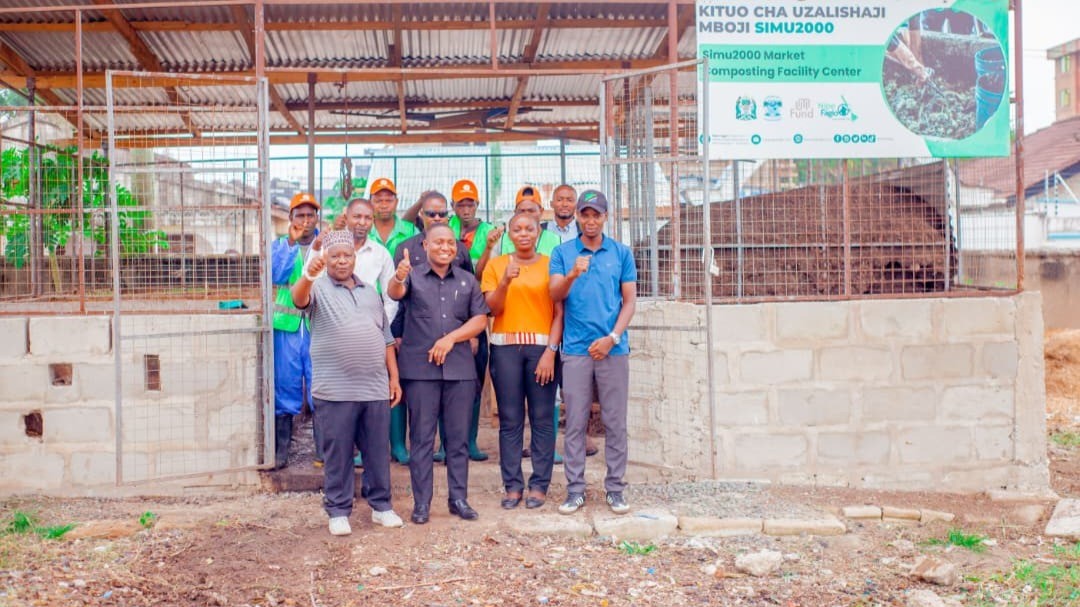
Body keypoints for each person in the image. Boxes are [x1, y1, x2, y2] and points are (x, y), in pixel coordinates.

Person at [292, 230, 404, 536]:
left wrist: (393, 378)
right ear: (326, 258)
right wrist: (307, 274)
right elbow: (298, 298)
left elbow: (385, 338)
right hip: (335, 389)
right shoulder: (317, 288)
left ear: (355, 257)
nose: (342, 260)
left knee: (377, 452)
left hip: (374, 387)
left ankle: (382, 507)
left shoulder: (369, 290)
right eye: (335, 256)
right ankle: (338, 511)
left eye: (347, 255)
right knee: (338, 452)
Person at [388, 223, 490, 524]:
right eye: (438, 242)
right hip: (420, 370)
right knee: (421, 438)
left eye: (450, 243)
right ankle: (422, 503)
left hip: (459, 369)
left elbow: (480, 320)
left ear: (457, 248)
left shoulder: (468, 281)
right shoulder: (413, 276)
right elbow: (395, 293)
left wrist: (451, 339)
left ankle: (458, 498)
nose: (445, 247)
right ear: (425, 247)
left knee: (457, 439)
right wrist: (398, 275)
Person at [549, 190, 637, 516]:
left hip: (613, 348)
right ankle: (575, 491)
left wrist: (612, 338)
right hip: (575, 349)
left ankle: (615, 489)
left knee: (615, 421)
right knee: (574, 422)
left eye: (595, 214)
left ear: (605, 217)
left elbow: (629, 302)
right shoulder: (562, 253)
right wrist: (572, 273)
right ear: (577, 218)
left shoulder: (621, 253)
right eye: (584, 215)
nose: (589, 220)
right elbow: (554, 294)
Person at [393, 191, 487, 462]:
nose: (436, 217)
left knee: (459, 396)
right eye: (430, 213)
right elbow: (398, 295)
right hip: (419, 340)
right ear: (420, 215)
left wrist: (471, 336)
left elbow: (470, 290)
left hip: (457, 341)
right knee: (422, 411)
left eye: (441, 213)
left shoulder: (459, 248)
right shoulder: (406, 248)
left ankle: (455, 445)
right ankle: (407, 451)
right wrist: (398, 333)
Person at [482, 212, 563, 510]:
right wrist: (504, 281)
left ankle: (539, 485)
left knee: (542, 420)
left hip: (542, 352)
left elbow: (559, 314)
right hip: (505, 350)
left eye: (530, 228)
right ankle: (513, 486)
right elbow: (492, 308)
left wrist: (550, 353)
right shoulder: (497, 265)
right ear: (509, 234)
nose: (524, 233)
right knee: (510, 421)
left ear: (538, 232)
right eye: (517, 229)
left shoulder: (550, 264)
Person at [336, 196, 398, 467]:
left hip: (372, 339)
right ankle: (338, 455)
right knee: (339, 400)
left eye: (367, 218)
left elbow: (391, 296)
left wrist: (379, 326)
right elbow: (312, 283)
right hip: (335, 339)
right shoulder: (331, 246)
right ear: (346, 217)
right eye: (357, 217)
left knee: (370, 396)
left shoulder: (380, 254)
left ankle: (368, 454)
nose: (362, 222)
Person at [366, 178, 417, 465]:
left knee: (398, 381)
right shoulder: (360, 232)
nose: (384, 202)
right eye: (378, 197)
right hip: (364, 318)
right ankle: (369, 446)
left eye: (389, 197)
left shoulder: (410, 232)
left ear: (396, 201)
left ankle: (398, 444)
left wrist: (399, 329)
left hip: (401, 315)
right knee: (367, 382)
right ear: (371, 201)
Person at [270, 192, 319, 469]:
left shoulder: (325, 244)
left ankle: (324, 452)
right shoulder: (280, 245)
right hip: (287, 327)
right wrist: (289, 242)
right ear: (291, 219)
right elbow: (277, 275)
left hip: (317, 326)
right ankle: (281, 452)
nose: (305, 220)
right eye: (300, 215)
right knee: (285, 386)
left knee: (320, 386)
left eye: (310, 215)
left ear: (317, 218)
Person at [475, 186, 561, 277]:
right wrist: (488, 248)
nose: (526, 215)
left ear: (541, 211)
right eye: (522, 211)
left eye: (531, 211)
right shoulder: (502, 241)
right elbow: (480, 275)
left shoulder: (556, 240)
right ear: (515, 212)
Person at [369, 177, 418, 257]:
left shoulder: (411, 231)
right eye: (378, 201)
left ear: (396, 202)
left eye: (389, 200)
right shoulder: (363, 231)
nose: (384, 206)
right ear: (369, 203)